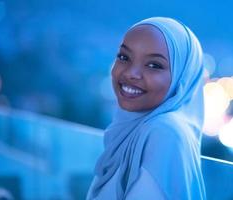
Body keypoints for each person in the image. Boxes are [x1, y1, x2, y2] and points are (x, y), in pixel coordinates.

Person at [86, 17, 206, 200]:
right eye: (124, 57)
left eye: (154, 65)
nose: (130, 74)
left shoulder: (165, 132)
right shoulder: (133, 128)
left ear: (182, 79)